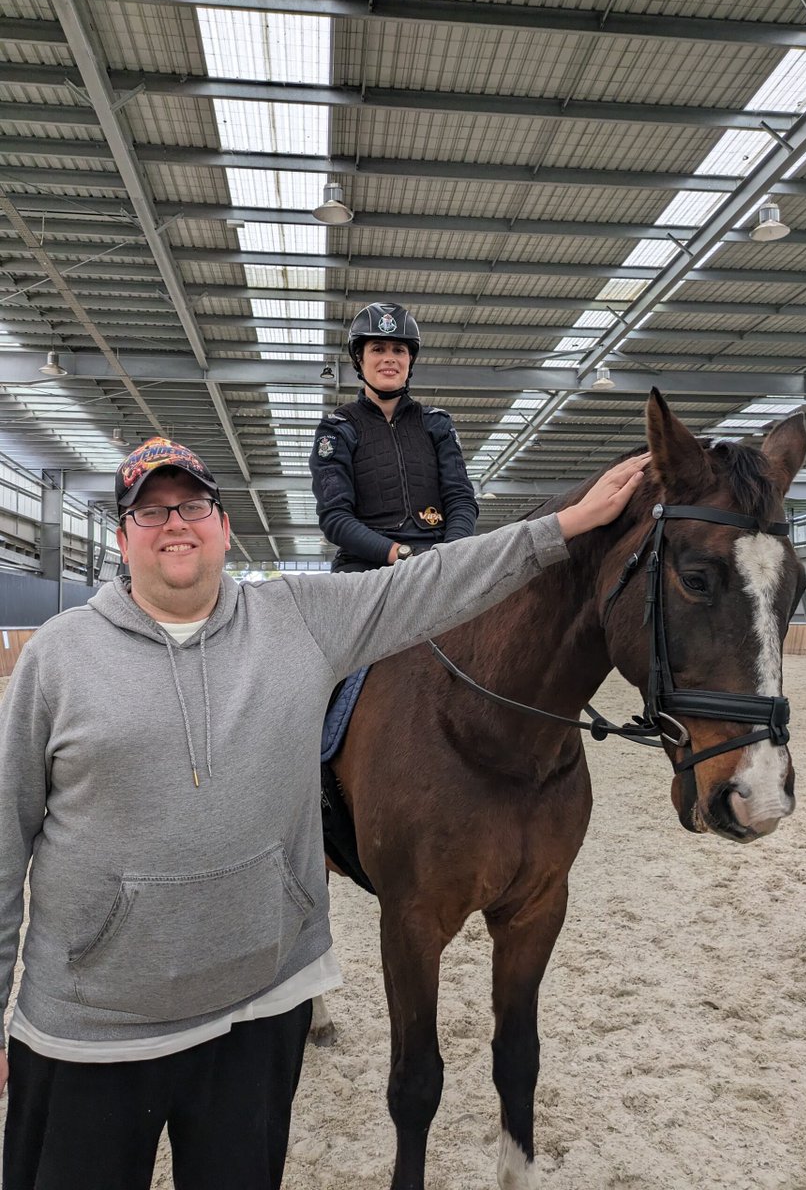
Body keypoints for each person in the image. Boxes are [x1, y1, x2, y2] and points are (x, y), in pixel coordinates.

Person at [0, 434, 649, 1190]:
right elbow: (5, 838)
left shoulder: (303, 608)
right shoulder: (57, 655)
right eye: (151, 512)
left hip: (256, 1011)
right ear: (121, 537)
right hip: (93, 1029)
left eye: (193, 507)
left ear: (222, 524)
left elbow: (454, 554)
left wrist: (566, 523)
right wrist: (386, 548)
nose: (175, 523)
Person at [310, 302, 478, 572]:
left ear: (409, 360)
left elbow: (460, 497)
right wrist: (401, 555)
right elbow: (335, 516)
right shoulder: (337, 429)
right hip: (365, 566)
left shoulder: (437, 423)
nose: (390, 358)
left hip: (438, 560)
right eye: (378, 349)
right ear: (360, 359)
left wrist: (451, 554)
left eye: (399, 350)